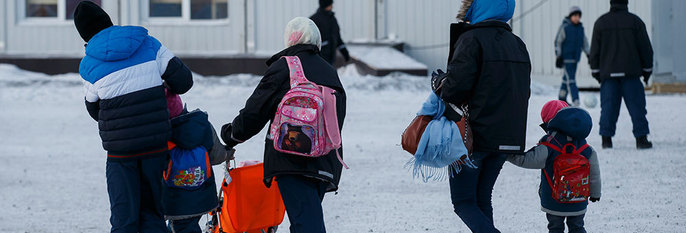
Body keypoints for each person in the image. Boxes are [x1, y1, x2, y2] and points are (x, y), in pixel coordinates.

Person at [73, 1, 193, 232]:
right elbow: (184, 81)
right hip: (155, 145)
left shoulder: (88, 65)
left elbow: (95, 111)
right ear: (108, 21)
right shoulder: (148, 43)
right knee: (153, 215)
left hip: (120, 153)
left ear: (85, 35)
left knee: (124, 219)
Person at [220, 17, 346, 233]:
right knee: (305, 219)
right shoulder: (329, 71)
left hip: (292, 157)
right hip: (325, 160)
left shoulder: (285, 67)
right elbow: (338, 116)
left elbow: (256, 110)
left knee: (306, 224)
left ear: (290, 39)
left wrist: (233, 134)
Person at [430, 0, 531, 232]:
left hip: (473, 136)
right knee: (482, 197)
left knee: (464, 202)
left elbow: (455, 91)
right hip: (507, 137)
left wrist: (441, 83)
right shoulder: (517, 44)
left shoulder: (471, 40)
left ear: (478, 8)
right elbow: (523, 91)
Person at [508, 101, 602, 233]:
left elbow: (528, 160)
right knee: (578, 227)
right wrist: (595, 193)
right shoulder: (586, 148)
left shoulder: (549, 145)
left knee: (555, 228)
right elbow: (595, 174)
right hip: (578, 199)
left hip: (554, 200)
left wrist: (507, 155)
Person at [162, 91, 233, 233]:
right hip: (202, 196)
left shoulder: (160, 134)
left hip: (175, 202)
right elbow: (217, 156)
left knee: (179, 228)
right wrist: (228, 153)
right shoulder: (201, 125)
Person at [589, 0, 654, 149]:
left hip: (608, 76)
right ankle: (641, 139)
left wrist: (597, 73)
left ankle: (606, 140)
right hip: (631, 74)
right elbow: (646, 49)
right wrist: (647, 71)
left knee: (608, 108)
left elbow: (594, 51)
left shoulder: (601, 23)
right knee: (637, 107)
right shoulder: (635, 22)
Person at [554, 6, 590, 107]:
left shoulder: (580, 29)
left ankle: (561, 98)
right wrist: (558, 56)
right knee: (572, 80)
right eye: (574, 16)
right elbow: (558, 42)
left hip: (575, 59)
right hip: (566, 58)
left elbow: (585, 43)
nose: (577, 18)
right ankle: (576, 101)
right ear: (570, 16)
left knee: (566, 79)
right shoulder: (565, 27)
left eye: (578, 16)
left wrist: (589, 54)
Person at [310, 0, 351, 65]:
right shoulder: (314, 20)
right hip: (319, 57)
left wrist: (344, 51)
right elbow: (309, 39)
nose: (332, 6)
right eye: (330, 4)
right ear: (325, 5)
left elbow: (337, 37)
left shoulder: (332, 18)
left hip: (331, 57)